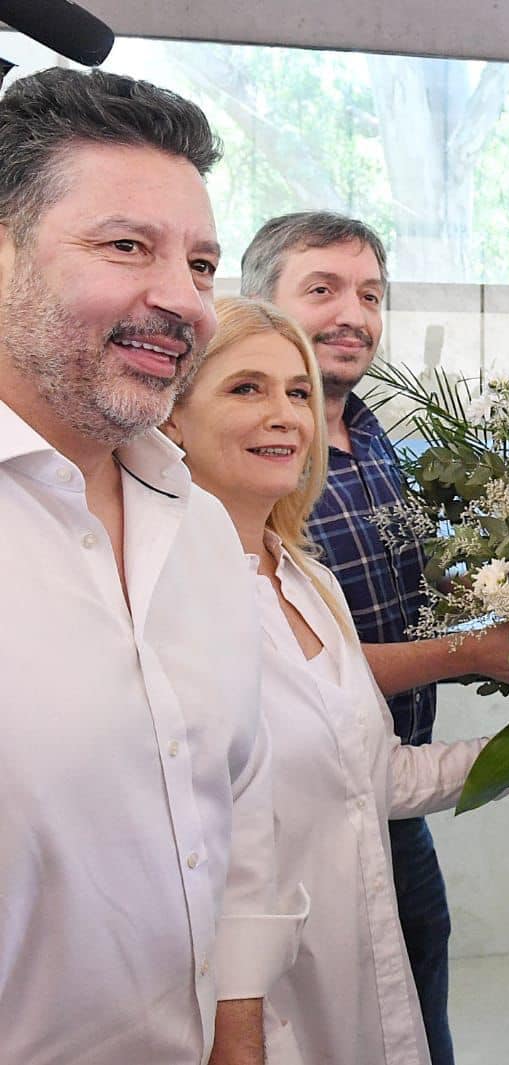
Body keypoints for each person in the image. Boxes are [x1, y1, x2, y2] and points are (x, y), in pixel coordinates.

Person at [0, 68, 299, 1064]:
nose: (182, 300)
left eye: (203, 264)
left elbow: (233, 813)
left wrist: (238, 1032)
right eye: (127, 246)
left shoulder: (200, 528)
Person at [165, 296, 509, 1064]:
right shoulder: (168, 603)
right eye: (246, 389)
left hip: (361, 974)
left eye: (297, 392)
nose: (285, 415)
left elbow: (374, 778)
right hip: (254, 1009)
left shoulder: (308, 580)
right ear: (171, 419)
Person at [240, 211, 509, 1064]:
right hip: (292, 823)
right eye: (320, 290)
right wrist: (472, 652)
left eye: (370, 294)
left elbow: (408, 586)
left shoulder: (374, 433)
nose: (351, 313)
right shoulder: (250, 471)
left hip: (389, 783)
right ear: (259, 306)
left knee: (412, 1015)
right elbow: (304, 671)